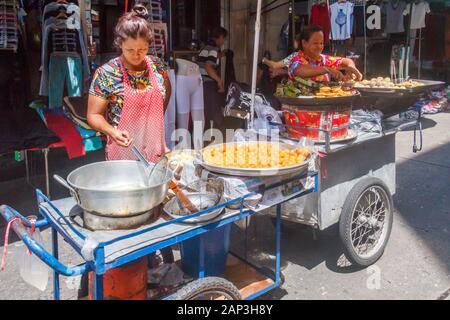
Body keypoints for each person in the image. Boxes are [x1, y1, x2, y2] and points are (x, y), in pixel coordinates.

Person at [87, 4, 171, 163]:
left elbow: (165, 95)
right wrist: (112, 131)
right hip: (122, 154)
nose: (137, 55)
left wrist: (153, 122)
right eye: (130, 50)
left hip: (155, 152)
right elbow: (93, 115)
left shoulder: (158, 66)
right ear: (120, 44)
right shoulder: (107, 73)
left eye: (142, 49)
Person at [288, 24, 363, 82]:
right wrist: (327, 69)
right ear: (304, 43)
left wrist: (351, 67)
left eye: (321, 43)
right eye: (315, 43)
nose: (319, 47)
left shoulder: (323, 59)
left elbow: (345, 61)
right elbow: (300, 71)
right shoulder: (296, 59)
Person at [196, 27, 228, 131]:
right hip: (207, 83)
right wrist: (219, 80)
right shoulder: (213, 49)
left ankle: (207, 135)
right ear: (220, 37)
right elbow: (208, 66)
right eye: (224, 38)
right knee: (215, 110)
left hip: (199, 83)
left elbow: (209, 58)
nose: (224, 41)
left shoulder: (206, 47)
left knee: (206, 111)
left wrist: (221, 55)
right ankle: (222, 134)